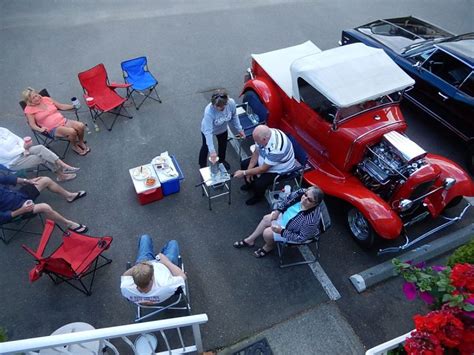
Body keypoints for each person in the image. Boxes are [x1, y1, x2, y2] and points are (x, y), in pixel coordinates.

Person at [233, 186, 324, 258]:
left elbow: (301, 238)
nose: (304, 199)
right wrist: (278, 211)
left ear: (315, 204)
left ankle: (268, 246)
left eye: (309, 199)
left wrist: (282, 231)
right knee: (266, 219)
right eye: (305, 195)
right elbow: (288, 199)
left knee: (267, 233)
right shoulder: (302, 192)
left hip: (290, 230)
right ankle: (250, 240)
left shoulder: (311, 220)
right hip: (285, 218)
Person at [0, 175, 88, 233]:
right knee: (45, 207)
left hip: (20, 195)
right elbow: (2, 218)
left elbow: (6, 179)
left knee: (45, 180)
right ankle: (68, 223)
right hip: (17, 209)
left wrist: (27, 180)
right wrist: (22, 210)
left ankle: (69, 196)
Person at [234, 125, 295, 205]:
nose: (256, 142)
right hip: (267, 159)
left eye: (257, 141)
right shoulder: (264, 135)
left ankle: (258, 197)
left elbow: (263, 169)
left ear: (264, 140)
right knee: (245, 164)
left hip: (280, 169)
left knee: (260, 183)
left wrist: (245, 173)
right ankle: (249, 184)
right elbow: (256, 152)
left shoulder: (277, 149)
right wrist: (248, 170)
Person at [22, 87, 90, 156]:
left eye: (36, 95)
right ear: (29, 101)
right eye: (33, 98)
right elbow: (32, 125)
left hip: (62, 120)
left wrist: (73, 106)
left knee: (80, 126)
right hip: (52, 128)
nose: (36, 98)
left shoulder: (45, 99)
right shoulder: (29, 110)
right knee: (72, 132)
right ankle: (74, 146)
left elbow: (61, 106)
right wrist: (40, 129)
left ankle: (80, 142)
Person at [121, 235, 187, 304]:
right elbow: (183, 276)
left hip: (145, 263)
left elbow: (125, 275)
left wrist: (139, 267)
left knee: (145, 238)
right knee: (173, 243)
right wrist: (166, 261)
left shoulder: (126, 287)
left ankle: (148, 261)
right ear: (152, 278)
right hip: (166, 266)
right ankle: (162, 254)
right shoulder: (167, 285)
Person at [0, 127, 80, 182]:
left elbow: (18, 139)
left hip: (22, 150)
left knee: (40, 148)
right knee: (41, 158)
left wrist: (25, 147)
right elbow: (7, 155)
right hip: (13, 161)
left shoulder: (3, 130)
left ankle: (64, 166)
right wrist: (23, 150)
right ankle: (61, 175)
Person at [199, 89, 245, 170]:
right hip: (208, 129)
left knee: (223, 145)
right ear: (213, 104)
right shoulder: (209, 112)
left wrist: (240, 129)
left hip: (222, 129)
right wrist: (212, 151)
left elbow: (234, 116)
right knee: (206, 146)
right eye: (219, 106)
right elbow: (208, 132)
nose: (222, 108)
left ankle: (222, 160)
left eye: (224, 105)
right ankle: (202, 166)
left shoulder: (231, 103)